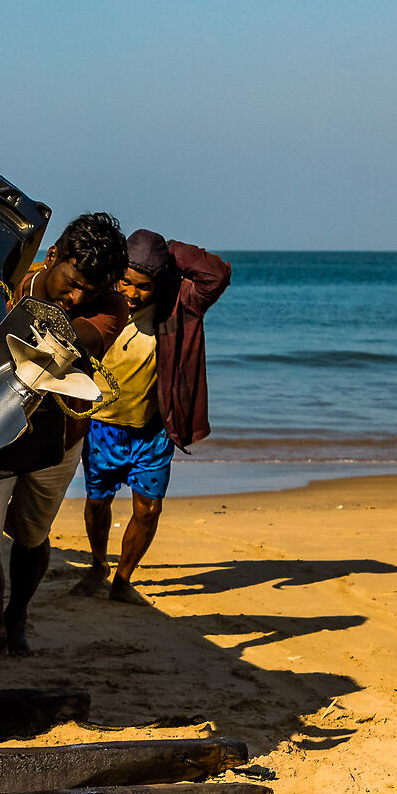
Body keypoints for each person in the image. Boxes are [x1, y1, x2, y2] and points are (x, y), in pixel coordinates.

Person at [0, 211, 127, 664]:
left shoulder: (112, 305)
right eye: (73, 283)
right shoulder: (2, 284)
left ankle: (18, 615)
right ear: (53, 255)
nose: (77, 297)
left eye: (90, 291)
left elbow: (78, 338)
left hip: (59, 440)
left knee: (32, 535)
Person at [73, 230, 232, 605]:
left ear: (159, 282)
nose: (132, 293)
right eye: (126, 281)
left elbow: (216, 274)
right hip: (100, 427)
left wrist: (166, 253)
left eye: (143, 285)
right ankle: (98, 565)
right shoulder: (99, 301)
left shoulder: (179, 307)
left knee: (149, 508)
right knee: (97, 503)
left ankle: (122, 580)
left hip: (152, 431)